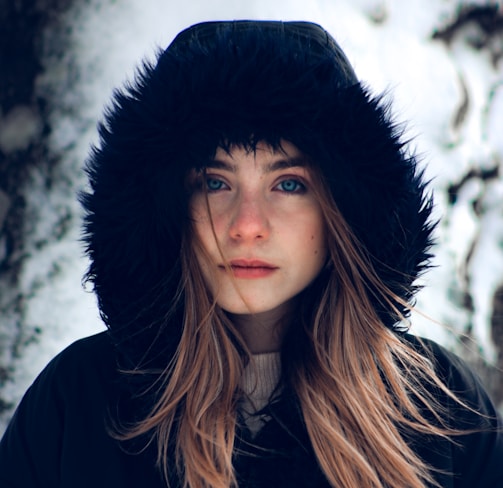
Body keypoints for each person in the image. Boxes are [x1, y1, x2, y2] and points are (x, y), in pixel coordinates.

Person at [0, 20, 502, 488]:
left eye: (288, 183)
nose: (246, 226)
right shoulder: (79, 401)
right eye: (215, 182)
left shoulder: (441, 408)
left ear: (346, 208)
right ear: (165, 203)